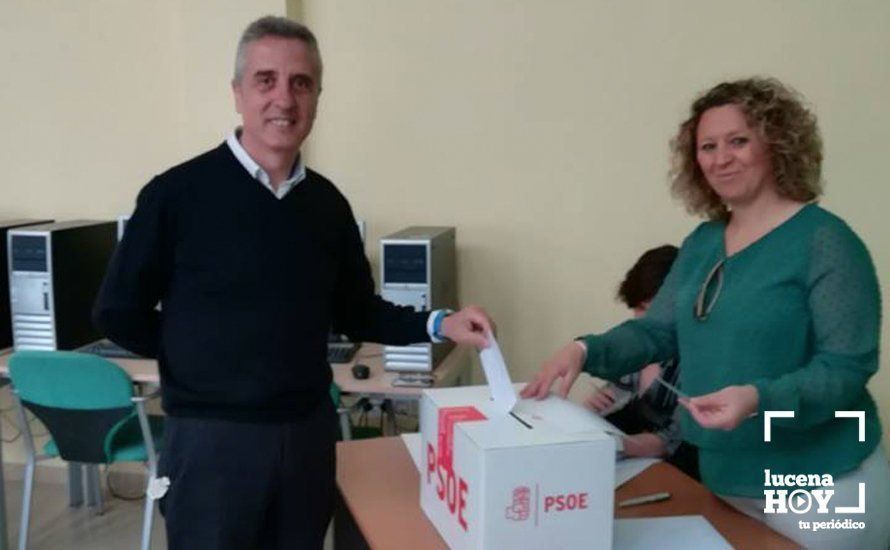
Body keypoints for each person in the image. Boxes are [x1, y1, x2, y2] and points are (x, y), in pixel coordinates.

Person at [93, 16, 494, 550]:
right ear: (237, 93)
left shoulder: (328, 206)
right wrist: (195, 354)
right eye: (266, 80)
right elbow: (117, 310)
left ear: (317, 98)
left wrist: (440, 321)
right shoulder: (175, 195)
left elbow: (358, 312)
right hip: (212, 444)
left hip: (306, 437)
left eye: (300, 83)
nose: (284, 98)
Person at [521, 77, 889, 548]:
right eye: (707, 146)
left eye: (738, 141)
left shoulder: (826, 242)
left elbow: (845, 370)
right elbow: (656, 332)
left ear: (777, 144)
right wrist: (584, 349)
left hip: (821, 486)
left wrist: (758, 398)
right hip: (726, 480)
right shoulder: (702, 243)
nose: (721, 158)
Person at [584, 244, 699, 479]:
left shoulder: (696, 364)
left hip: (677, 475)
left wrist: (615, 443)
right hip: (632, 468)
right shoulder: (633, 352)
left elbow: (668, 442)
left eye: (652, 311)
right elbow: (611, 402)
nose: (642, 322)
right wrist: (590, 411)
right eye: (638, 309)